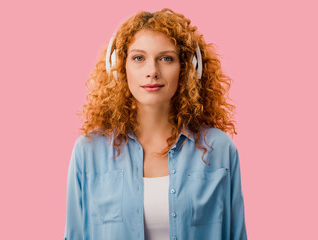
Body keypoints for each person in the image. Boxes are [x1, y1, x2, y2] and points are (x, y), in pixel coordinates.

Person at [63, 8, 247, 240]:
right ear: (118, 67)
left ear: (189, 68)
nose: (152, 71)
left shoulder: (218, 148)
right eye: (139, 58)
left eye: (166, 58)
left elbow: (236, 234)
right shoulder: (88, 151)